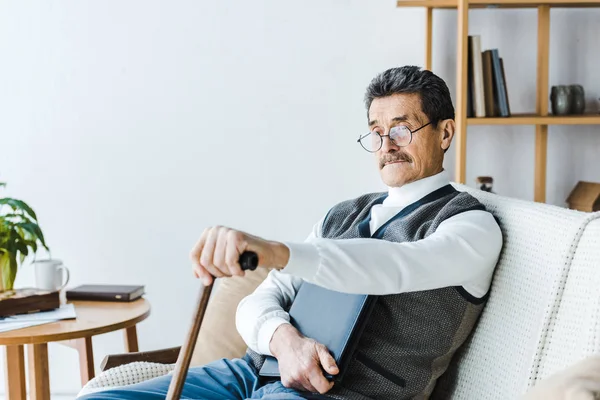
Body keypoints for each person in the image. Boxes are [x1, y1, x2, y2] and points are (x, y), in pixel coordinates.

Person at [80, 66, 503, 400]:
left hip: (338, 395)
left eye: (400, 128)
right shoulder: (342, 214)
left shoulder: (470, 225)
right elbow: (260, 300)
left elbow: (391, 267)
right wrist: (285, 343)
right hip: (249, 372)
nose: (387, 145)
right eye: (376, 133)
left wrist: (277, 251)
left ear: (444, 132)